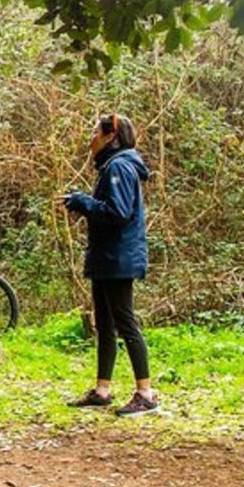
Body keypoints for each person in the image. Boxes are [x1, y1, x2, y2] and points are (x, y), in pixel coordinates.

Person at [64, 114, 159, 417]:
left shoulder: (119, 167)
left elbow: (118, 212)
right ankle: (102, 390)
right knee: (104, 324)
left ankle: (146, 393)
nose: (90, 137)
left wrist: (83, 202)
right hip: (107, 257)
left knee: (125, 322)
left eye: (95, 131)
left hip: (119, 259)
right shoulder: (112, 166)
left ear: (110, 135)